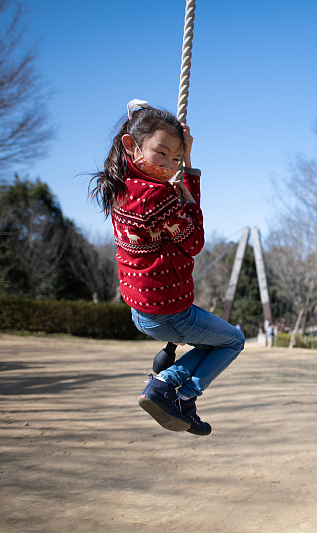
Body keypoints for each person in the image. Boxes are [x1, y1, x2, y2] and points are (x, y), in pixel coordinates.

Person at [89, 99, 244, 436]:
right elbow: (194, 242)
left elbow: (178, 229)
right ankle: (171, 388)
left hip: (140, 308)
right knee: (233, 340)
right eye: (162, 153)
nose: (168, 165)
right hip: (169, 312)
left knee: (210, 344)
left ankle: (183, 401)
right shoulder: (155, 197)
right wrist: (188, 179)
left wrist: (181, 161)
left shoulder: (122, 185)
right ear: (131, 145)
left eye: (175, 157)